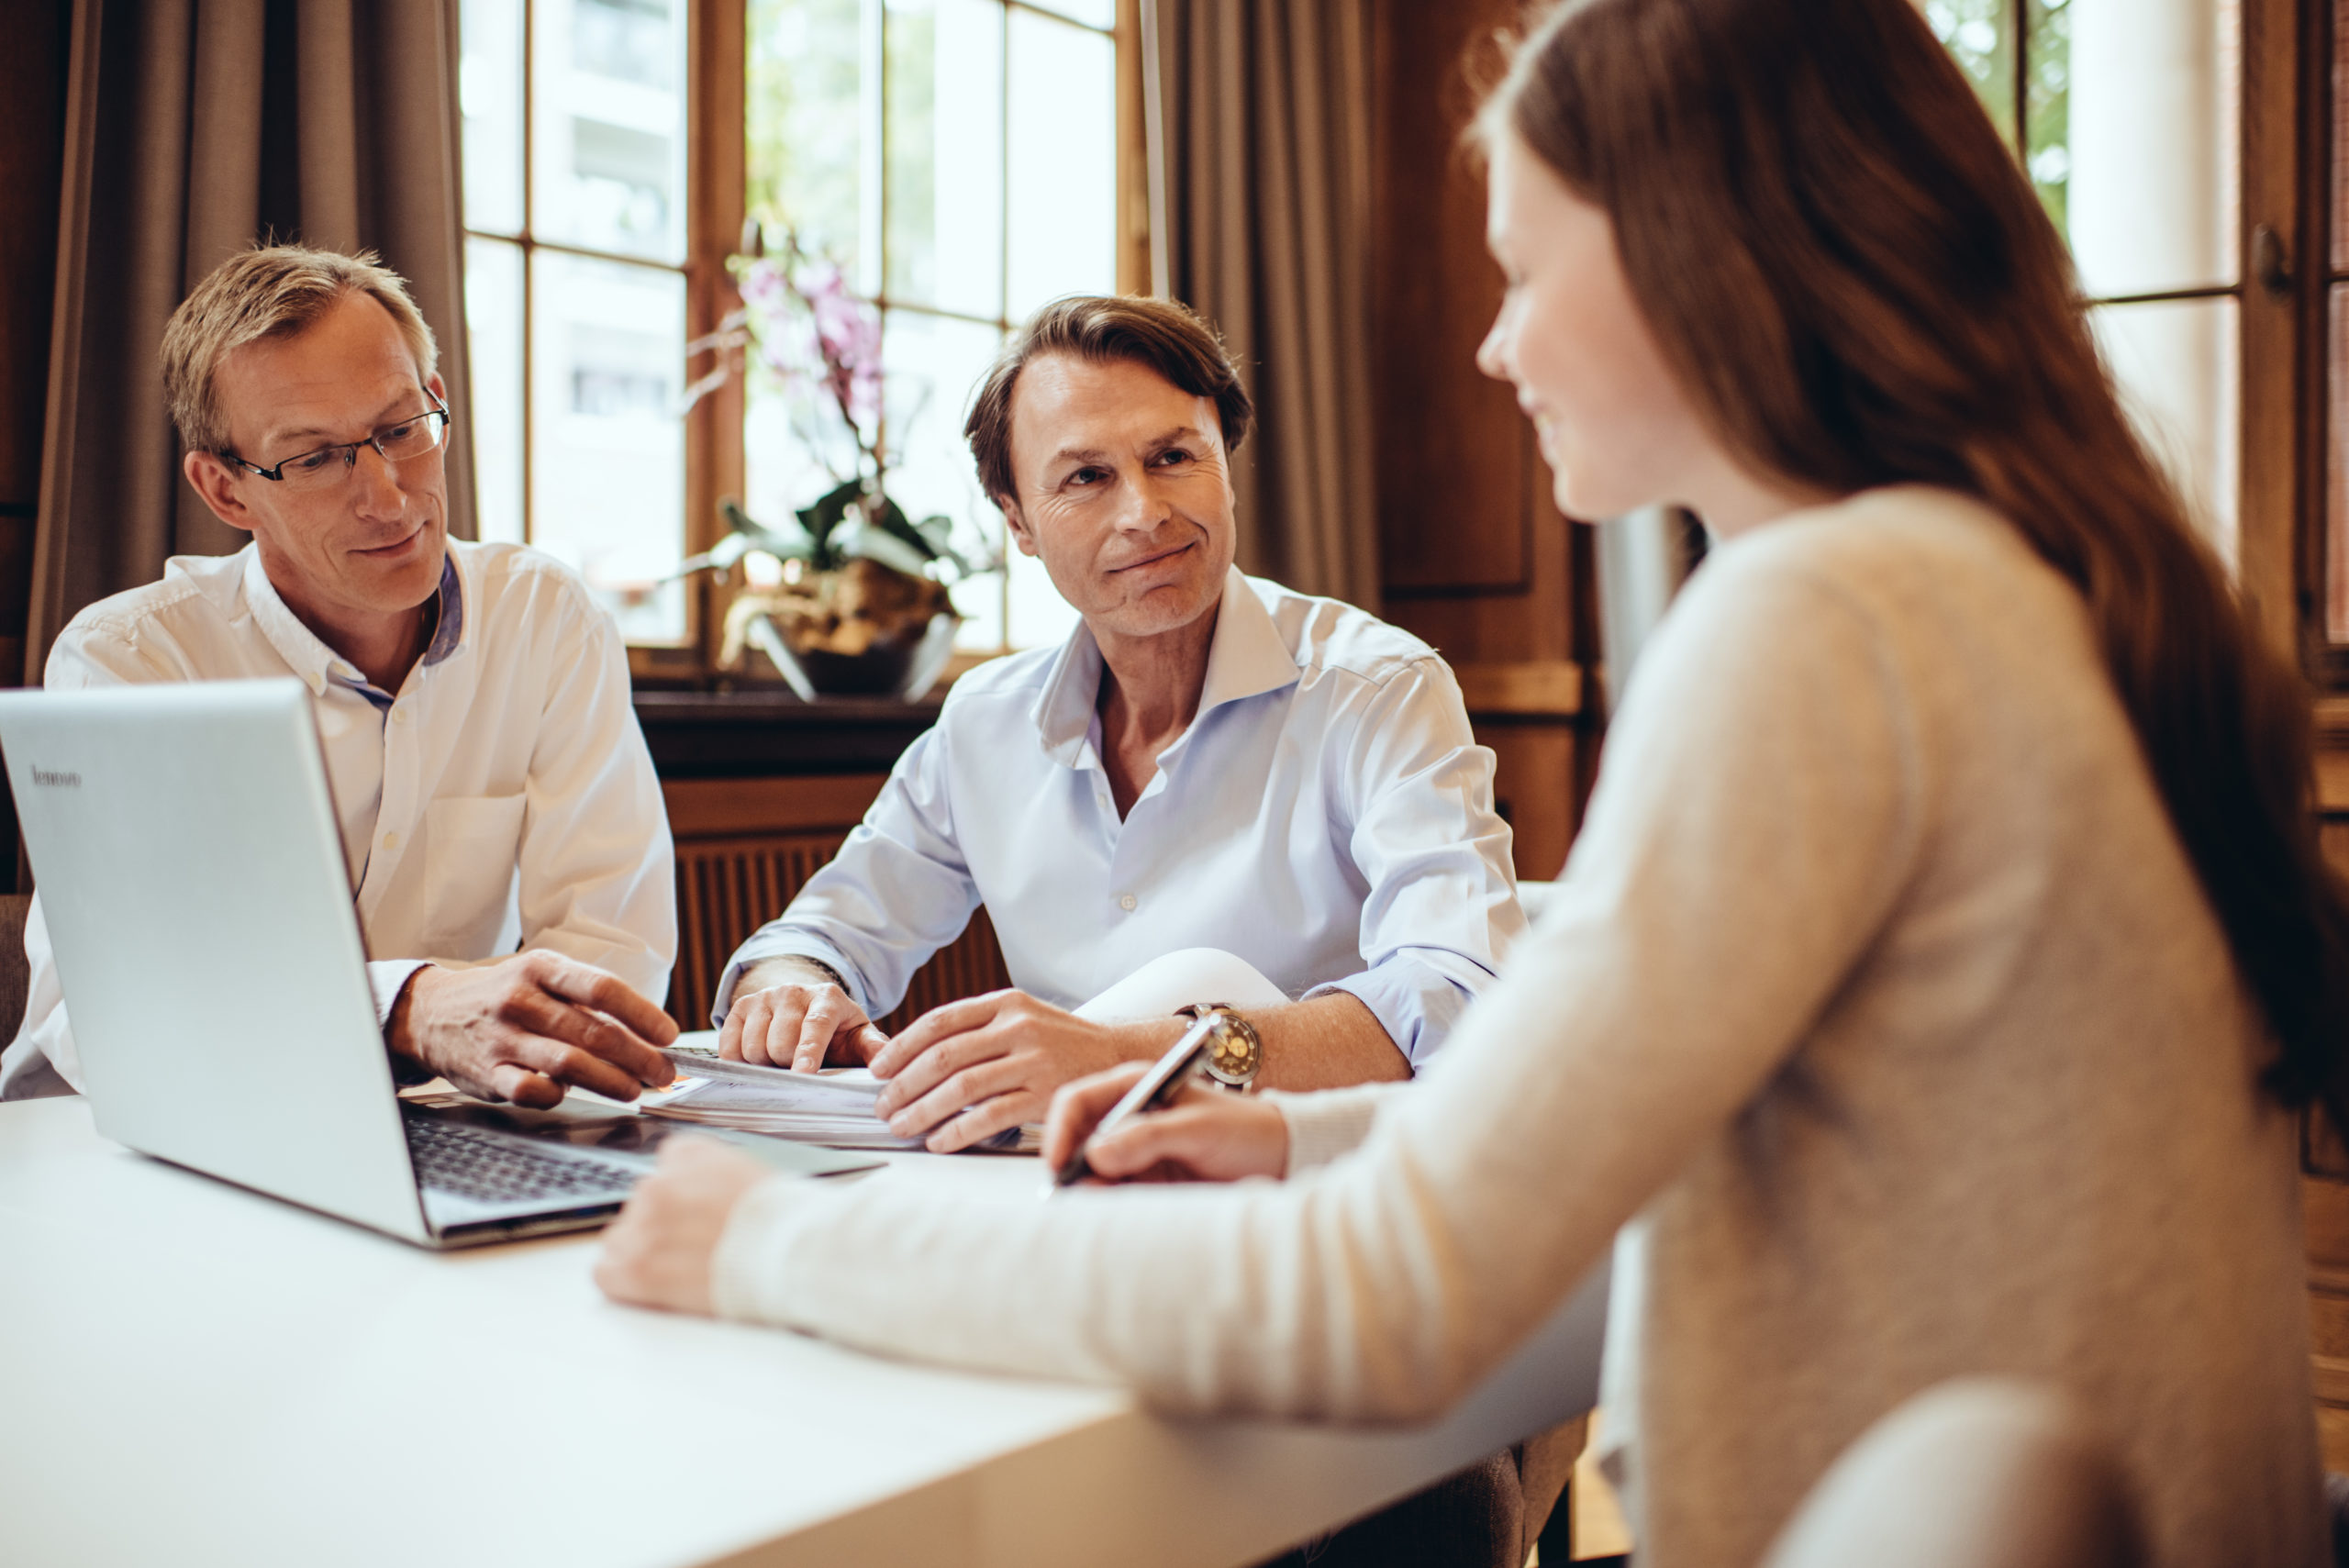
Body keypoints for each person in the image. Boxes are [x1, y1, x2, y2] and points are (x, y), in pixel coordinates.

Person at [597, 0, 2344, 1562]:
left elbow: (1402, 1292)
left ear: (1691, 250)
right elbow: (1645, 1115)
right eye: (1084, 478)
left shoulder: (1827, 619)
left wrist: (770, 1244)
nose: (1498, 346)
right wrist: (1285, 1130)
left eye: (1523, 269)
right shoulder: (2024, 584)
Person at [712, 295, 1524, 1152]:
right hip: (1069, 1193)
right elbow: (818, 936)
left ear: (1226, 462)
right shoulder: (983, 725)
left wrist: (1123, 1055)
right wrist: (794, 992)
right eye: (1086, 477)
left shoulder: (1379, 688)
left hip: (1317, 1200)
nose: (1144, 511)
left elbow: (1461, 996)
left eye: (1173, 456)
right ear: (1018, 521)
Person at [0, 245, 681, 1108]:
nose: (390, 497)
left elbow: (608, 951)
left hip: (447, 1124)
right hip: (137, 1141)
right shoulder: (130, 664)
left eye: (401, 429)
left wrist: (525, 1069)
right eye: (317, 458)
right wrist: (405, 1007)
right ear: (226, 491)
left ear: (438, 405)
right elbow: (114, 1014)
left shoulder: (546, 621)